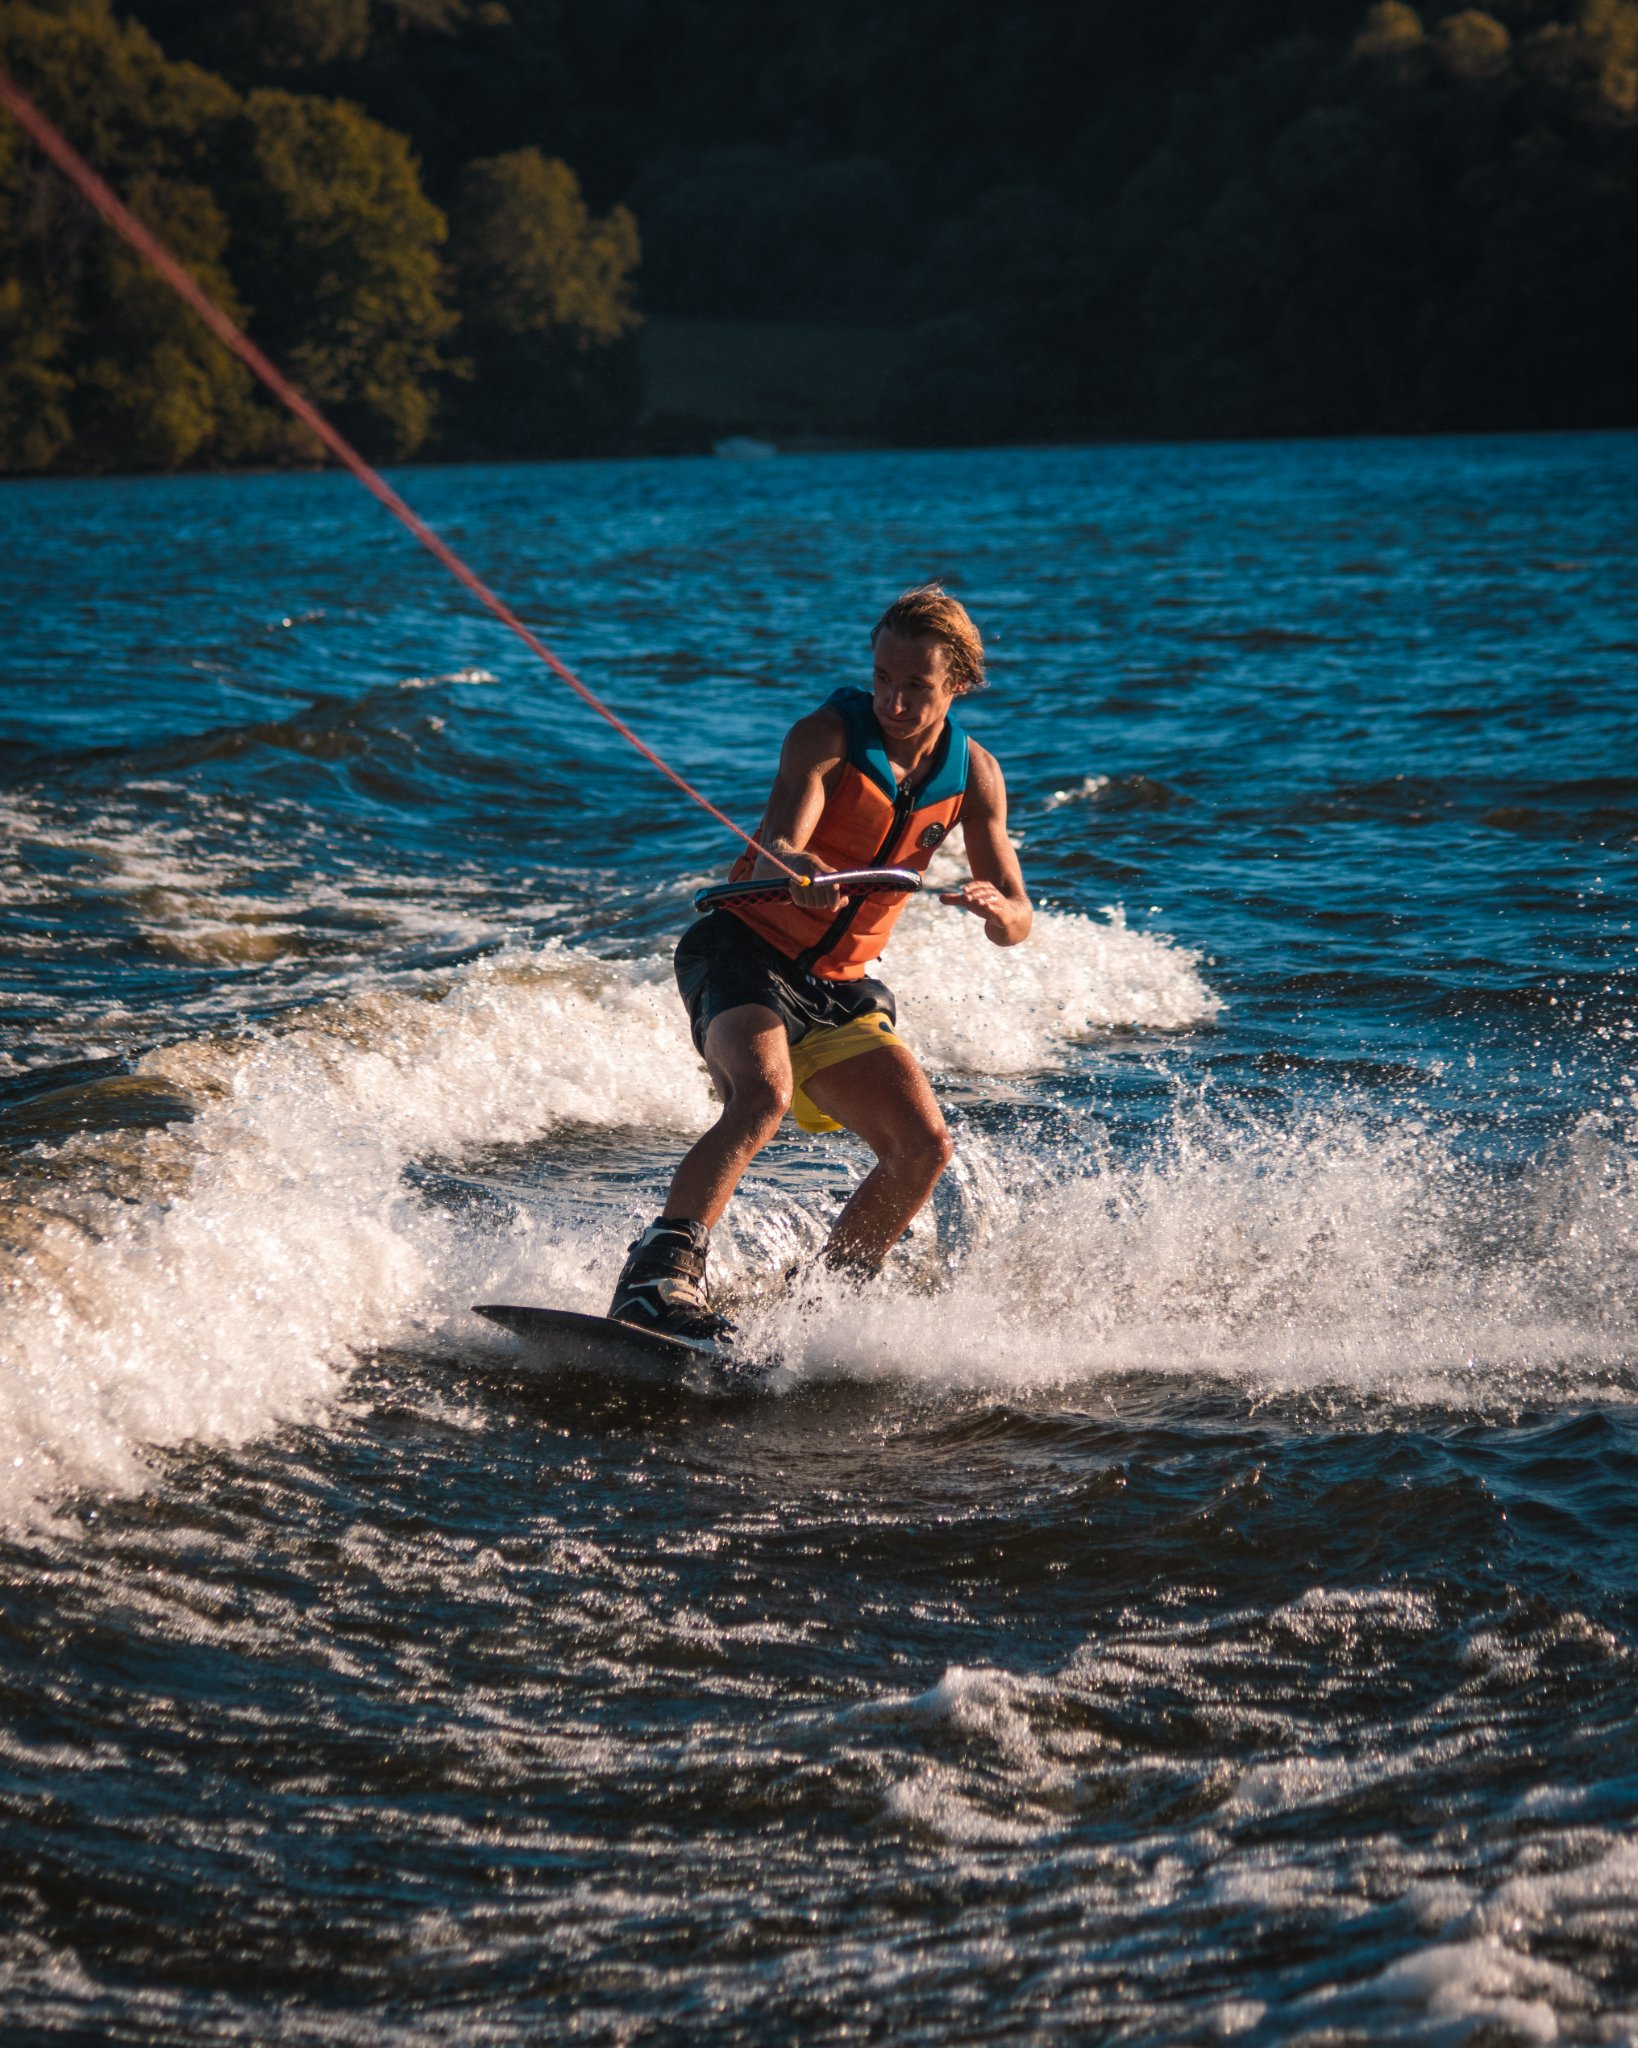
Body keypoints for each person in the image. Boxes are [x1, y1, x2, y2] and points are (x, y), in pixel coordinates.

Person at [608, 583, 1032, 1338]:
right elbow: (781, 836)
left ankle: (818, 1309)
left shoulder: (977, 778)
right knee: (762, 1095)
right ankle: (657, 1280)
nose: (894, 703)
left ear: (960, 684)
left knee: (922, 1147)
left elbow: (1018, 919)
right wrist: (797, 867)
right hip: (741, 952)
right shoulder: (825, 735)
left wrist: (999, 910)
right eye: (883, 680)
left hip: (838, 988)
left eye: (917, 687)